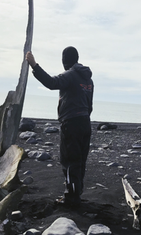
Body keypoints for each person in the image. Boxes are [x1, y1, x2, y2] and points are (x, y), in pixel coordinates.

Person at [25, 46, 94, 207]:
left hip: (72, 123)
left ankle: (71, 198)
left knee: (70, 161)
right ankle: (76, 194)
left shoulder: (69, 75)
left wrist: (34, 66)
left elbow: (51, 83)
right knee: (80, 161)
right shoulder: (88, 80)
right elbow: (89, 105)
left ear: (66, 60)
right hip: (85, 123)